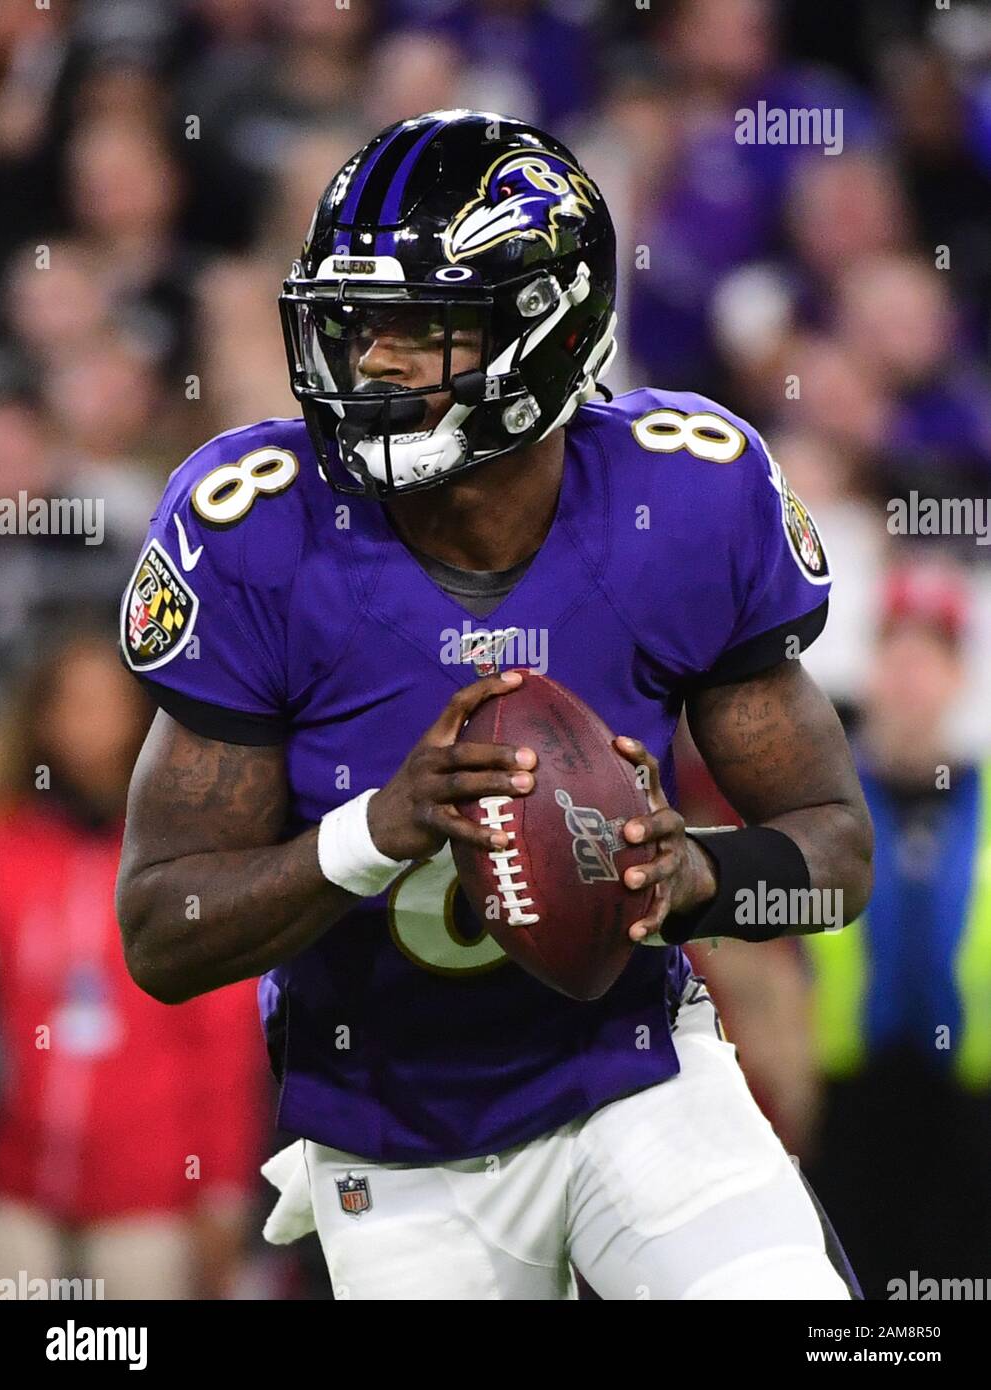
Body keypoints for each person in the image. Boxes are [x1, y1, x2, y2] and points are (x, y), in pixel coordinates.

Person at [115, 110, 873, 1301]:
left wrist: (700, 878)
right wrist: (372, 832)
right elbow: (160, 932)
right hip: (387, 1133)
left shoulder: (680, 501)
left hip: (631, 1073)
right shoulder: (259, 531)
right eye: (361, 322)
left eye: (423, 329)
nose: (371, 361)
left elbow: (834, 851)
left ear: (546, 330)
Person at [0, 630, 266, 1299]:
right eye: (71, 703)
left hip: (148, 1201)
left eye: (106, 703)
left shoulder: (181, 861)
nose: (88, 723)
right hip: (16, 1192)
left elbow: (225, 1037)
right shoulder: (9, 849)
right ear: (42, 717)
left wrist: (222, 1190)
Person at [803, 566, 991, 1299]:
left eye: (930, 657)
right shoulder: (820, 798)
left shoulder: (980, 797)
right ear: (872, 666)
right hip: (843, 1098)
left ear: (957, 674)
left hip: (973, 1106)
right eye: (897, 653)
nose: (911, 677)